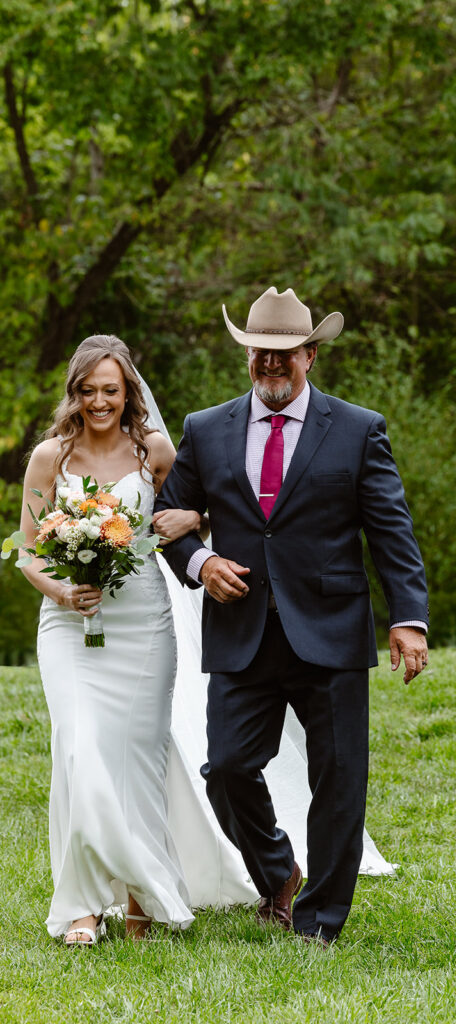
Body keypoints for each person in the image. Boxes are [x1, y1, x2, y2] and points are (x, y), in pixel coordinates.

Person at [155, 286, 429, 946]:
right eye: (260, 354)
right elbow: (167, 519)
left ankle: (319, 922)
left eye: (285, 355)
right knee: (225, 767)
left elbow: (390, 532)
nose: (271, 366)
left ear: (310, 355)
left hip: (330, 629)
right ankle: (277, 872)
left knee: (337, 778)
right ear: (246, 355)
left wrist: (408, 618)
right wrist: (200, 565)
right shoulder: (205, 429)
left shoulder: (359, 428)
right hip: (241, 634)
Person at [17, 335, 202, 944]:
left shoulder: (155, 453)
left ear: (129, 394)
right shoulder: (50, 458)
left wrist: (195, 518)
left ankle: (141, 899)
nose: (100, 402)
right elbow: (27, 554)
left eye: (111, 391)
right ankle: (80, 907)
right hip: (68, 626)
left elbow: (198, 509)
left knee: (137, 760)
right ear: (75, 393)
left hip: (143, 623)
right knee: (79, 750)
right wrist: (64, 593)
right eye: (89, 391)